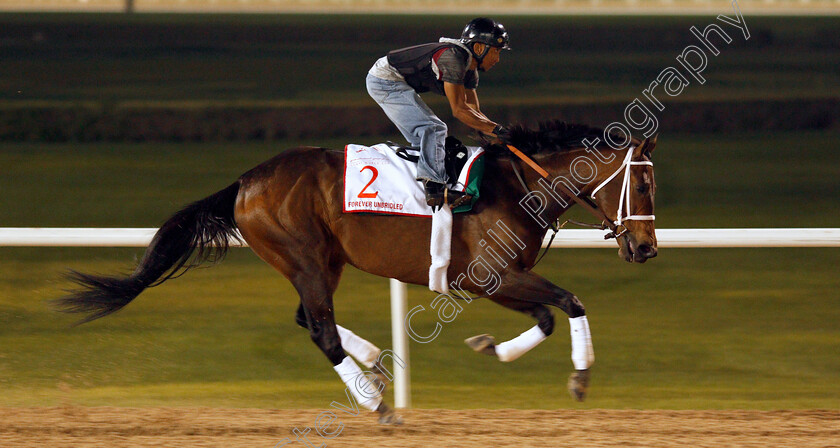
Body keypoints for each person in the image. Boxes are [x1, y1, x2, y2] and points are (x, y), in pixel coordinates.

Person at [366, 17, 512, 209]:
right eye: (495, 51)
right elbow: (459, 111)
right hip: (385, 81)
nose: (497, 59)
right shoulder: (453, 60)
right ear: (478, 48)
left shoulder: (469, 69)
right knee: (433, 128)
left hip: (396, 81)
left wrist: (498, 135)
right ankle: (434, 187)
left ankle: (424, 176)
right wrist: (498, 130)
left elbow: (474, 111)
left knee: (432, 138)